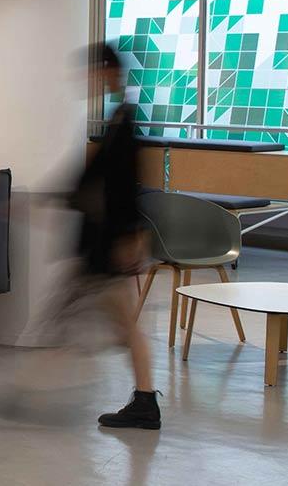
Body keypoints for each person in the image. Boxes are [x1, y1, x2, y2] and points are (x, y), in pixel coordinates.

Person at [71, 41, 160, 430]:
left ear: (106, 73)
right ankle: (144, 399)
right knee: (120, 326)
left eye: (92, 72)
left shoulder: (123, 121)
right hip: (104, 242)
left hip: (111, 245)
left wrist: (132, 238)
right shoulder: (116, 119)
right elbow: (94, 183)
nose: (87, 80)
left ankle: (145, 401)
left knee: (124, 325)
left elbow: (127, 187)